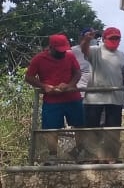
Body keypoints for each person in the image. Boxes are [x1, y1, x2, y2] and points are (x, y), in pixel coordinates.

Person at [80, 27, 124, 163]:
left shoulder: (122, 55)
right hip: (95, 97)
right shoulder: (95, 51)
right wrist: (87, 40)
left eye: (117, 38)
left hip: (115, 98)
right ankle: (91, 157)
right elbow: (84, 50)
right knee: (92, 129)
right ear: (104, 39)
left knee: (113, 129)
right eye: (111, 38)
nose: (114, 41)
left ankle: (111, 157)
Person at [25, 34, 83, 163]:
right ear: (51, 47)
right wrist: (44, 86)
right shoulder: (39, 59)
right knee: (50, 128)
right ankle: (52, 157)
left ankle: (81, 154)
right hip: (52, 100)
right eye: (59, 50)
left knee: (79, 125)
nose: (62, 53)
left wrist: (69, 85)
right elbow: (28, 77)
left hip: (72, 97)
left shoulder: (70, 55)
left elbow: (78, 72)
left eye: (64, 49)